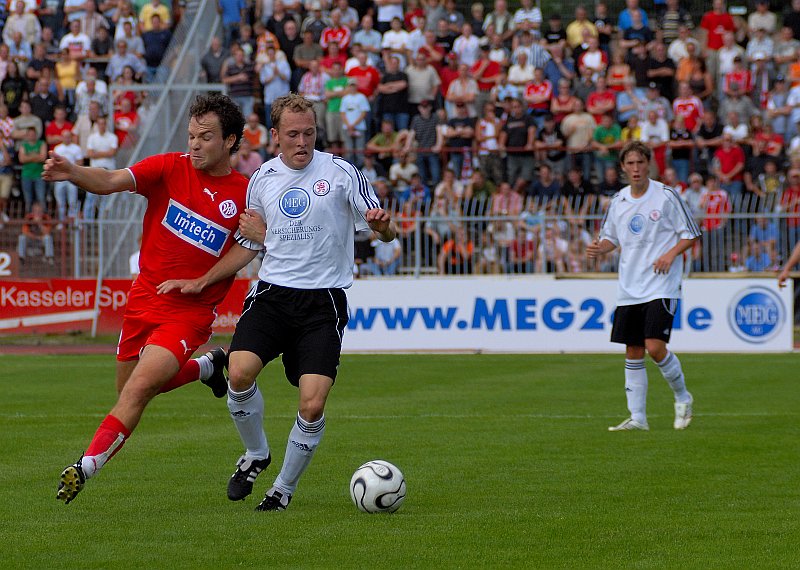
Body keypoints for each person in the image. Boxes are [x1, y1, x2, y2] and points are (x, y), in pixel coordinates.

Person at [158, 93, 394, 512]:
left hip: (322, 302)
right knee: (239, 373)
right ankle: (255, 454)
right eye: (293, 134)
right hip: (272, 295)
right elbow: (250, 242)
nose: (302, 142)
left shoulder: (342, 173)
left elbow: (384, 230)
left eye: (309, 133)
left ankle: (282, 489)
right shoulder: (262, 179)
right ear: (275, 135)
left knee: (312, 403)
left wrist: (384, 227)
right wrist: (204, 279)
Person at [45, 93, 249, 504]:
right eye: (191, 136)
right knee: (129, 391)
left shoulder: (247, 192)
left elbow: (249, 246)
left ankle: (85, 466)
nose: (194, 144)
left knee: (139, 389)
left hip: (188, 312)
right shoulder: (169, 167)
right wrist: (73, 172)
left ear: (229, 141)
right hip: (144, 299)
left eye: (205, 137)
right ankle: (206, 368)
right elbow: (110, 180)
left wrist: (202, 281)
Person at [586, 141, 701, 431]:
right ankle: (638, 418)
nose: (636, 168)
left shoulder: (665, 195)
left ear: (648, 164)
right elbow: (611, 238)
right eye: (630, 163)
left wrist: (670, 255)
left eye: (640, 162)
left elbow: (691, 234)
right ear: (623, 167)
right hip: (629, 287)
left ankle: (683, 397)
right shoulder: (619, 201)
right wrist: (600, 249)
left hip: (661, 284)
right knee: (633, 351)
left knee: (655, 348)